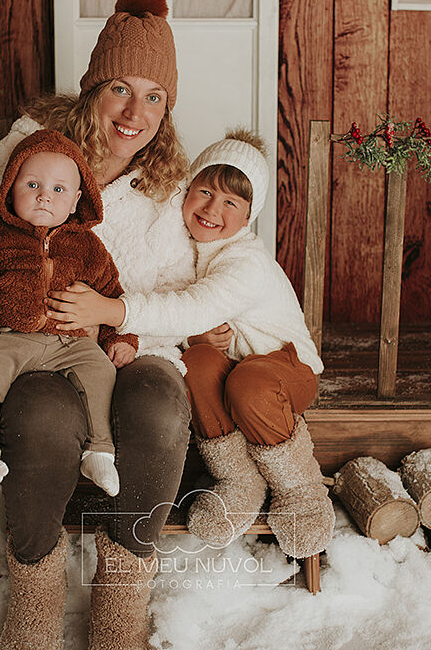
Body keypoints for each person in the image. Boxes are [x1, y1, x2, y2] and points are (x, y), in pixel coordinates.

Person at [0, 0, 195, 650]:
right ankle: (36, 593)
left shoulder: (167, 187)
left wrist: (116, 314)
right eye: (120, 90)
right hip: (21, 345)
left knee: (159, 404)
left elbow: (184, 296)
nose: (135, 113)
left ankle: (122, 598)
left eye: (154, 96)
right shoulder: (23, 157)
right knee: (42, 416)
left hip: (126, 345)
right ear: (91, 89)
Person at [46, 129, 335, 559]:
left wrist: (109, 311)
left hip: (285, 371)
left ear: (250, 215)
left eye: (231, 203)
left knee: (250, 382)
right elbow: (186, 319)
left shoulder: (246, 262)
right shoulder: (188, 243)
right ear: (188, 188)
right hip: (235, 372)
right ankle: (240, 480)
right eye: (204, 191)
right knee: (195, 363)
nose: (211, 209)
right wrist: (189, 337)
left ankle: (301, 491)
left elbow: (193, 306)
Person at [0, 129, 136, 496]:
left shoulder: (88, 247)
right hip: (3, 336)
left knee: (100, 374)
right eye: (32, 184)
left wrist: (120, 337)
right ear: (9, 188)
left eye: (59, 190)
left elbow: (111, 293)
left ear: (77, 199)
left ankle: (99, 451)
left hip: (69, 339)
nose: (45, 195)